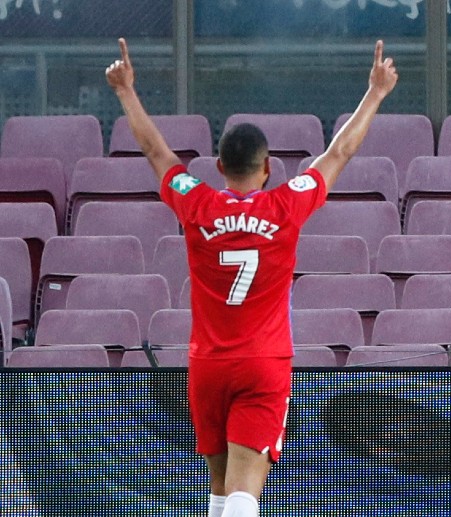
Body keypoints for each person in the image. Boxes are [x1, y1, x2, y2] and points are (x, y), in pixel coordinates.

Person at [106, 38, 398, 517]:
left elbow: (155, 151)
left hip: (208, 365)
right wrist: (375, 93)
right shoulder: (285, 205)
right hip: (263, 364)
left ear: (220, 167)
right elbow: (339, 152)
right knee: (245, 489)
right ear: (267, 168)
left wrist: (126, 92)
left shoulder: (197, 203)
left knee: (220, 486)